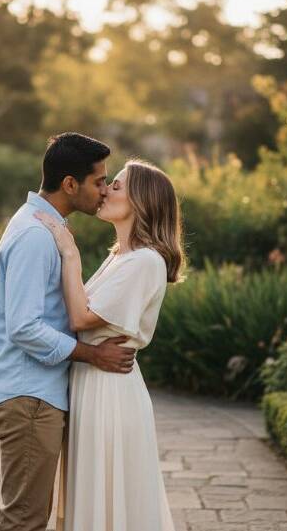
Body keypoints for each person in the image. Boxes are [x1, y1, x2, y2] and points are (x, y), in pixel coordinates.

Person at [0, 132, 137, 531]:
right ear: (70, 184)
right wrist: (94, 355)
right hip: (28, 396)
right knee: (25, 520)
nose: (104, 191)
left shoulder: (43, 227)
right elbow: (24, 327)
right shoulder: (36, 236)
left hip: (32, 394)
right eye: (99, 181)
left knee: (30, 516)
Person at [36, 159, 184, 531]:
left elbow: (82, 319)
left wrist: (69, 253)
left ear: (141, 201)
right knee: (92, 493)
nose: (104, 190)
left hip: (110, 392)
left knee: (110, 496)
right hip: (91, 383)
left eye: (116, 186)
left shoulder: (146, 261)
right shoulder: (119, 257)